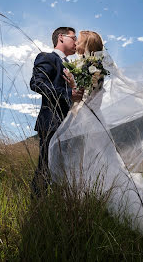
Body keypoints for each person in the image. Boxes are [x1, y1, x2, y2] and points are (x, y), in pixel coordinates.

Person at [30, 26, 84, 197]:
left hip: (70, 124)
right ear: (61, 37)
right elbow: (36, 83)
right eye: (74, 38)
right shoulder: (47, 57)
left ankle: (59, 205)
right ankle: (37, 205)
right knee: (45, 168)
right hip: (52, 123)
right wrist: (69, 94)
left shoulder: (73, 66)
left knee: (66, 170)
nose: (76, 42)